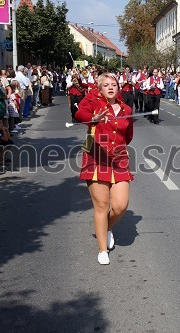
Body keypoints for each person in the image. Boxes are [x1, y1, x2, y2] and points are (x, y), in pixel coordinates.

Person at [74, 73, 134, 265]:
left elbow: (128, 135)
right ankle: (102, 249)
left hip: (119, 158)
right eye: (106, 85)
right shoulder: (93, 102)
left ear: (118, 88)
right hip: (95, 155)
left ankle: (106, 228)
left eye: (114, 84)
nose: (110, 87)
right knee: (101, 205)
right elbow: (79, 114)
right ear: (100, 88)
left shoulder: (126, 109)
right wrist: (94, 118)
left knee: (120, 206)